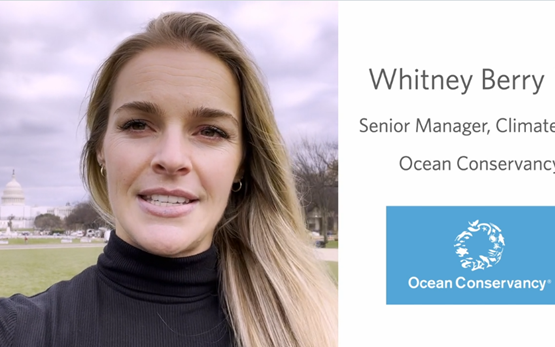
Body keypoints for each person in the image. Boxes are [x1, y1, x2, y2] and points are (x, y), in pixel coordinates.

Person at [0, 12, 337, 347]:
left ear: (242, 164)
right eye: (137, 124)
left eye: (210, 131)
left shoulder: (325, 327)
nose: (172, 158)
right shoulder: (18, 331)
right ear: (101, 148)